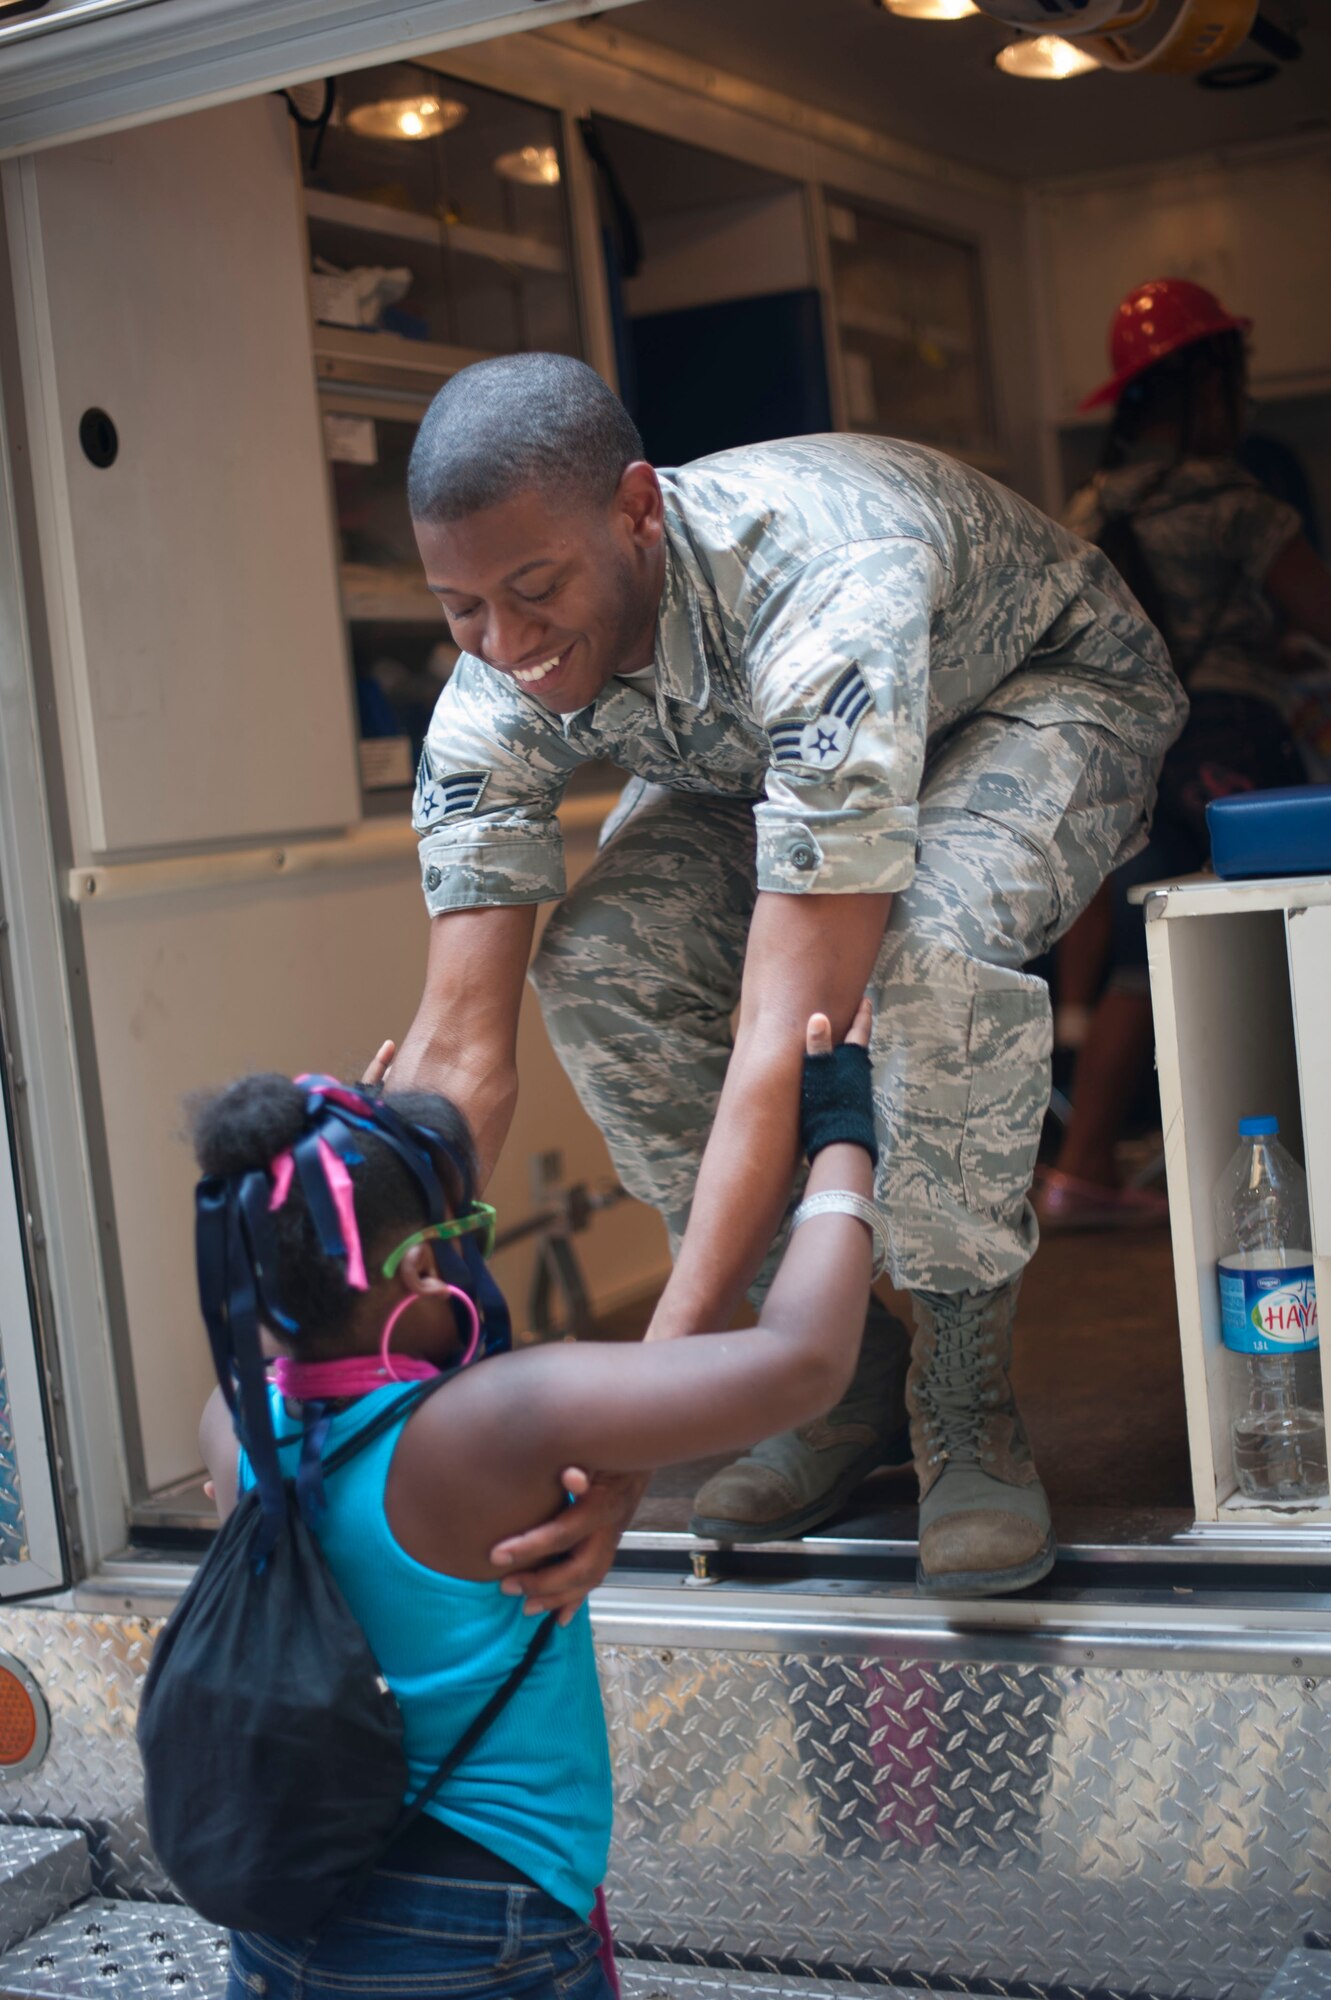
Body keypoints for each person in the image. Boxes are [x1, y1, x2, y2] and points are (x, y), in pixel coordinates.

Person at [388, 353, 1186, 1599]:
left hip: (1033, 692)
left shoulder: (819, 578)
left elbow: (784, 1026)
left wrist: (629, 1419)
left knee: (921, 959)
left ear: (636, 511)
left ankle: (962, 1403)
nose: (505, 642)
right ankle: (837, 1386)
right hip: (771, 753)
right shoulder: (496, 678)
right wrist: (363, 1292)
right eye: (460, 608)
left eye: (533, 590)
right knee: (600, 965)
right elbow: (455, 1047)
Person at [199, 1007, 880, 2000]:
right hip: (474, 1929)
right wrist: (841, 1136)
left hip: (279, 1916)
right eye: (459, 1231)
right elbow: (804, 1362)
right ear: (423, 1268)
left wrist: (323, 1178)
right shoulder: (491, 1422)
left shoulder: (230, 1419)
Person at [1040, 278, 1331, 1227]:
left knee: (1144, 949)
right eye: (1237, 382)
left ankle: (1083, 1168)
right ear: (1208, 383)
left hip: (1134, 757)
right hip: (1232, 751)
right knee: (1273, 941)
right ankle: (1286, 1154)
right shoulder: (1234, 500)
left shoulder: (1088, 507)